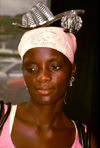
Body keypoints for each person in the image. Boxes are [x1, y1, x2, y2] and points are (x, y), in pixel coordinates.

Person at [0, 26, 97, 148]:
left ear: (72, 70)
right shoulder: (2, 119)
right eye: (32, 69)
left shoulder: (85, 141)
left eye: (55, 67)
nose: (42, 77)